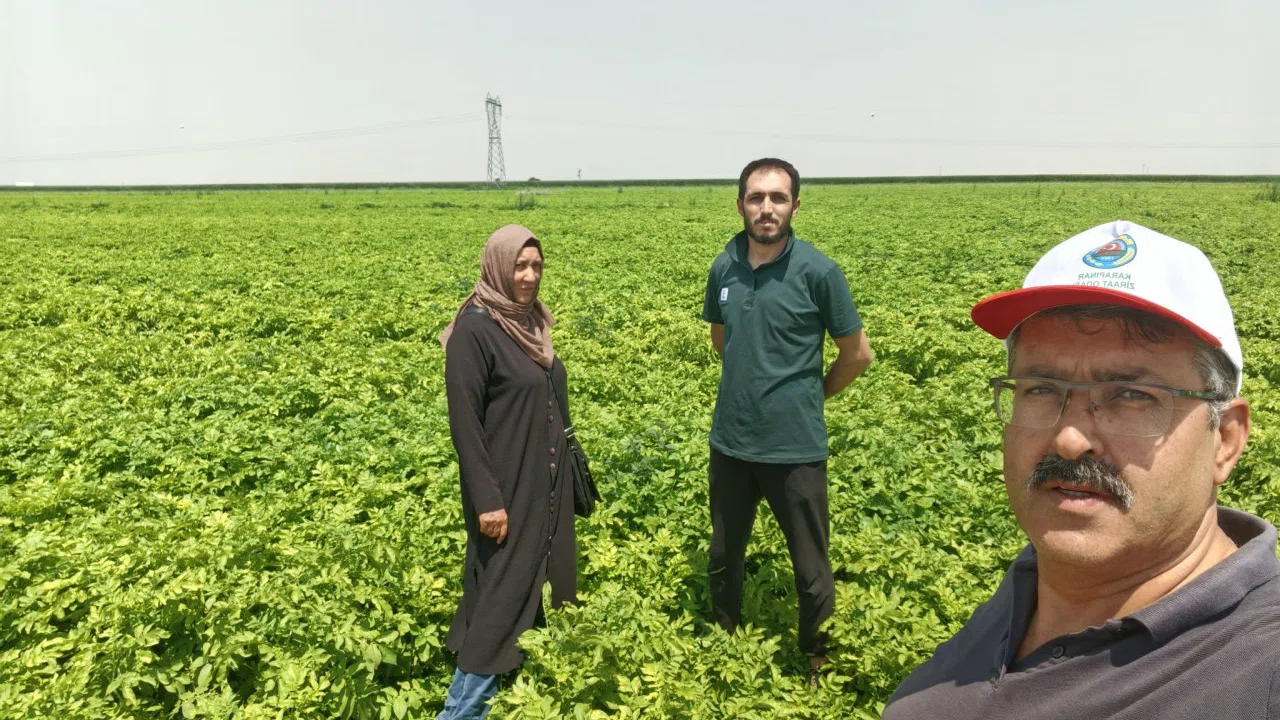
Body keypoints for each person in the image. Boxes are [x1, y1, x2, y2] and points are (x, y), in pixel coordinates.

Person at [884, 220, 1279, 719]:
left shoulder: (1261, 673)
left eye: (1132, 395)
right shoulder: (1032, 587)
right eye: (1041, 389)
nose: (1070, 439)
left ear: (1225, 440)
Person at [701, 158, 875, 677]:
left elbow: (857, 354)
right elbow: (721, 340)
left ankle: (818, 658)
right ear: (740, 205)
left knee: (810, 564)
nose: (766, 208)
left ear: (795, 206)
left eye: (778, 198)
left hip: (795, 447)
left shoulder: (818, 272)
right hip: (731, 442)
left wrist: (811, 395)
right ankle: (723, 641)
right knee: (723, 553)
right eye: (756, 198)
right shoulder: (723, 268)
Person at [437, 225, 577, 720]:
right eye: (519, 265)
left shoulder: (530, 323)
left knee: (527, 589)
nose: (529, 276)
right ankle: (461, 713)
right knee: (502, 599)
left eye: (536, 266)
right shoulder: (474, 331)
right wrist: (488, 501)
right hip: (506, 492)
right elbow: (466, 426)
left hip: (544, 485)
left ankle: (516, 699)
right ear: (497, 266)